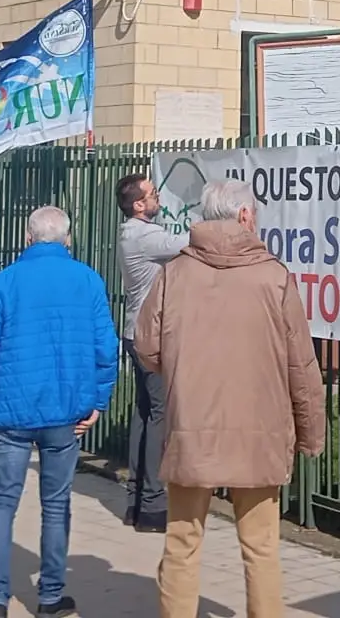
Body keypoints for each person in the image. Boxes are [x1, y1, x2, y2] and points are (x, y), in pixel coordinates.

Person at [136, 177, 324, 618]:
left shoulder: (175, 273)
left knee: (182, 543)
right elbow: (301, 364)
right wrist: (311, 432)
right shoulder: (274, 276)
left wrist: (183, 370)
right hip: (260, 431)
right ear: (244, 215)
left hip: (191, 429)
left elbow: (147, 348)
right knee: (261, 546)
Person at [0, 205, 118, 618]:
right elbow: (106, 347)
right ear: (68, 240)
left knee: (1, 501)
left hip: (11, 411)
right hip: (65, 410)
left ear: (27, 239)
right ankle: (49, 596)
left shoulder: (4, 282)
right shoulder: (88, 280)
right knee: (57, 503)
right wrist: (98, 399)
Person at [117, 171, 187, 531]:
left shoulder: (131, 233)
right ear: (138, 205)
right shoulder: (146, 236)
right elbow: (191, 242)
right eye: (152, 194)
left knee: (145, 413)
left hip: (135, 333)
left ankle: (135, 500)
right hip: (152, 336)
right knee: (160, 415)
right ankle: (154, 506)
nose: (158, 197)